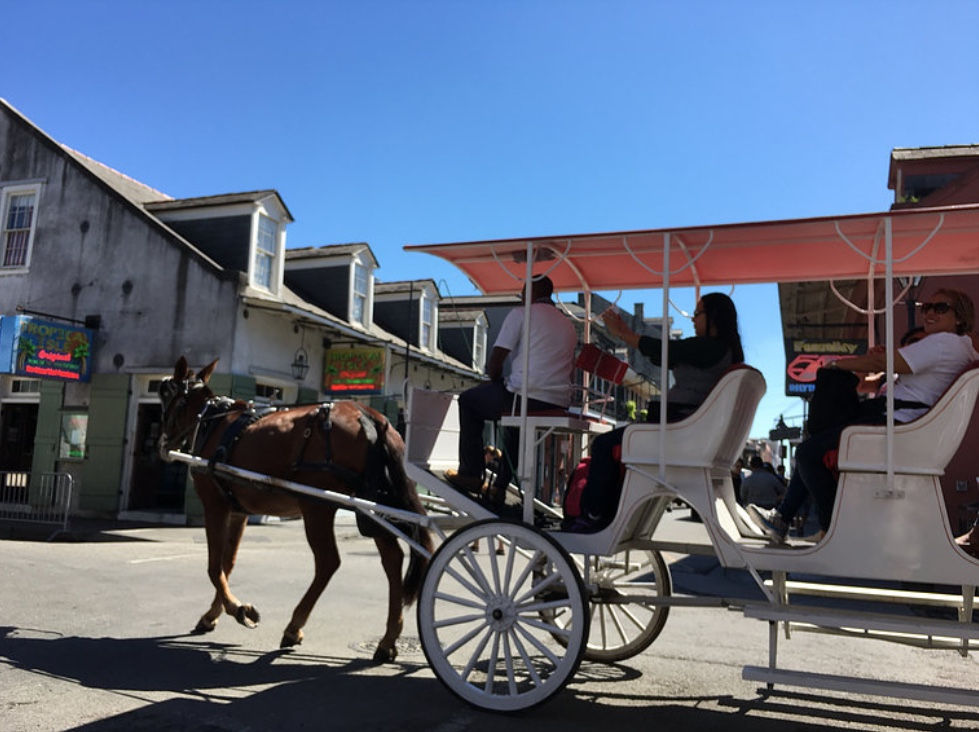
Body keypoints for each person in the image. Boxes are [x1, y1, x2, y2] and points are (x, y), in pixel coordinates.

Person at [750, 288, 979, 544]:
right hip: (906, 424)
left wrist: (835, 365)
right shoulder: (960, 348)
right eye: (926, 308)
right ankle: (785, 519)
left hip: (898, 424)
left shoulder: (944, 343)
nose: (929, 313)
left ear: (960, 317)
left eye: (940, 308)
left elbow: (881, 364)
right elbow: (879, 372)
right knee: (814, 444)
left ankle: (832, 527)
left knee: (807, 452)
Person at [574, 292, 745, 530]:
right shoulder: (719, 352)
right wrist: (630, 336)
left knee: (603, 444)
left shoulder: (710, 348)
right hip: (687, 428)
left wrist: (624, 333)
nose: (693, 319)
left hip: (678, 430)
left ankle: (594, 513)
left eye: (697, 314)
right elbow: (665, 355)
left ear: (714, 317)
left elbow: (667, 350)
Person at [444, 276, 577, 506]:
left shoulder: (521, 314)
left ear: (531, 292)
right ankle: (499, 486)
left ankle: (471, 473)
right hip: (557, 401)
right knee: (515, 425)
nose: (521, 297)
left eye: (524, 292)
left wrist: (494, 380)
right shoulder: (567, 324)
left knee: (468, 401)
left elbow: (496, 361)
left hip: (526, 396)